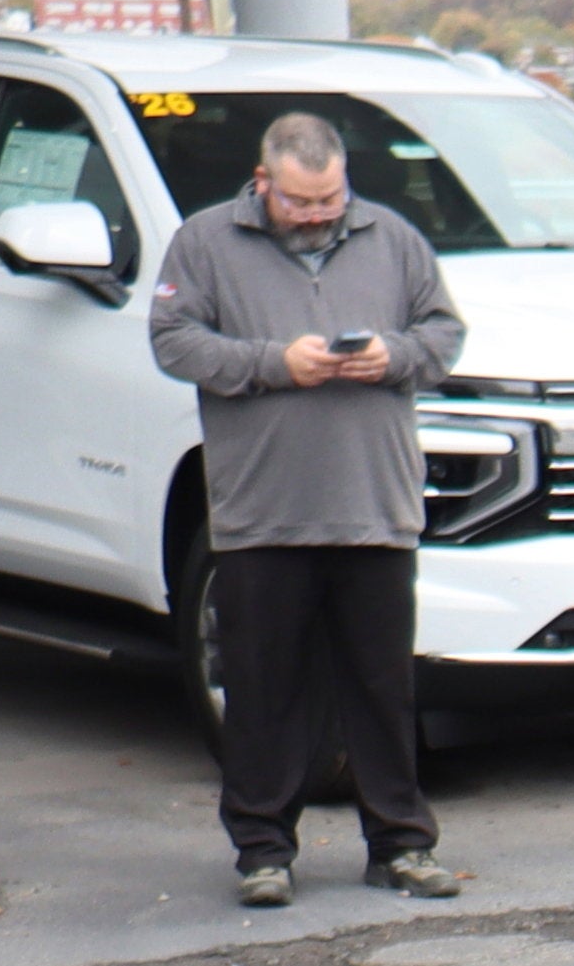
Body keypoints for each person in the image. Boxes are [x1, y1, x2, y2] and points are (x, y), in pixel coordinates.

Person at [146, 111, 470, 908]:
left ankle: (400, 844)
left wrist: (394, 356)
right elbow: (172, 341)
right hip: (263, 512)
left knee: (383, 688)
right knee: (263, 689)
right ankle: (263, 850)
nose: (320, 213)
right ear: (264, 184)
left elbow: (444, 332)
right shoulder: (204, 242)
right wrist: (273, 364)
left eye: (330, 198)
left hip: (375, 507)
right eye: (302, 201)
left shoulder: (392, 238)